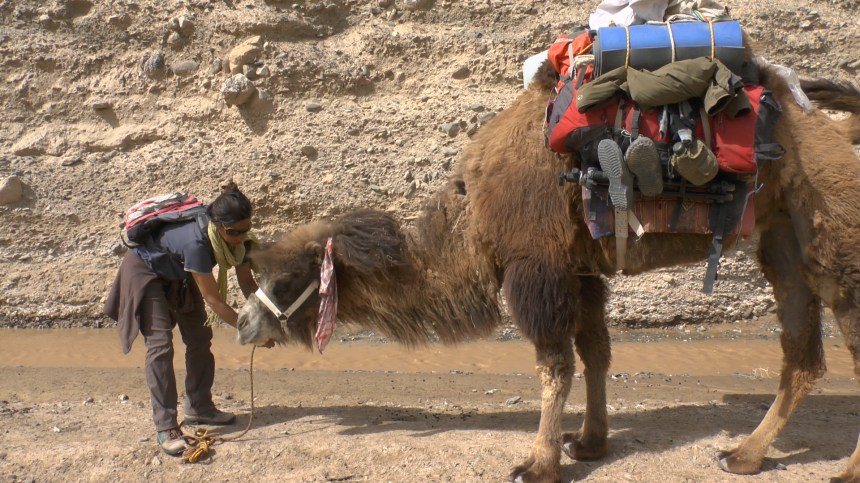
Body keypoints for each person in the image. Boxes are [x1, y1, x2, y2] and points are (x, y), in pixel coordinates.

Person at [104, 180, 272, 456]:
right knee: (160, 345)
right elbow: (214, 301)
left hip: (180, 273)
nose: (240, 237)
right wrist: (251, 331)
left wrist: (269, 318)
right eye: (234, 232)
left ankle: (199, 407)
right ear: (217, 225)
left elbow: (247, 284)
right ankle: (166, 426)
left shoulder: (239, 240)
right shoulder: (196, 244)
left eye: (246, 230)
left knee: (200, 338)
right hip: (147, 272)